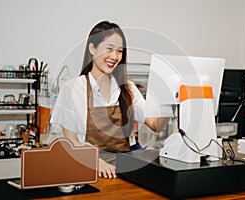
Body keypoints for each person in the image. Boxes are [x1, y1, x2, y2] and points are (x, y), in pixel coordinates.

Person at [50, 20, 169, 179]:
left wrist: (170, 98)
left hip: (126, 170)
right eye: (109, 49)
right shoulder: (72, 89)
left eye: (120, 51)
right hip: (89, 169)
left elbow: (155, 125)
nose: (114, 56)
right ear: (92, 48)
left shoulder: (128, 89)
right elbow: (70, 142)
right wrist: (98, 163)